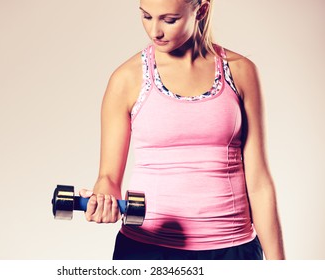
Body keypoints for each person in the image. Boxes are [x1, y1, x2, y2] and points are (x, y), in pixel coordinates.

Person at [79, 0, 285, 260]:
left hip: (232, 249)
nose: (154, 31)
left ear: (201, 10)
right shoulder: (126, 78)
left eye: (169, 19)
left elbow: (259, 181)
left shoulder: (240, 71)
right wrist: (104, 200)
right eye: (146, 16)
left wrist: (282, 268)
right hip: (147, 248)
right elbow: (108, 177)